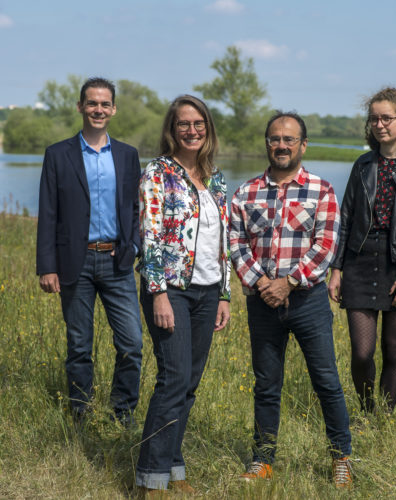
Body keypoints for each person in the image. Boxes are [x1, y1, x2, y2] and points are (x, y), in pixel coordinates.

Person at [230, 112, 353, 488]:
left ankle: (341, 457)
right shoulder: (245, 193)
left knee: (326, 381)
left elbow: (326, 245)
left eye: (289, 139)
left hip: (308, 302)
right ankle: (263, 459)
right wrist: (262, 283)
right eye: (274, 139)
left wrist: (289, 282)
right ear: (266, 143)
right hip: (261, 302)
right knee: (266, 384)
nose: (281, 145)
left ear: (303, 144)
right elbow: (235, 243)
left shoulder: (322, 190)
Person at [136, 95, 231, 495]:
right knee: (173, 379)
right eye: (183, 125)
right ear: (171, 130)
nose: (191, 131)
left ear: (207, 129)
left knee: (190, 383)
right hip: (171, 290)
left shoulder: (217, 179)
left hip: (208, 292)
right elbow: (150, 236)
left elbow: (224, 240)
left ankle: (173, 468)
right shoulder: (157, 173)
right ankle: (150, 479)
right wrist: (157, 293)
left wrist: (225, 293)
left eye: (198, 124)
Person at [36, 77, 143, 425]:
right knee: (79, 346)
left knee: (131, 343)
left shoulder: (128, 155)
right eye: (92, 103)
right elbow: (48, 212)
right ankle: (79, 413)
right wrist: (46, 266)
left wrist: (135, 246)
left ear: (113, 109)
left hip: (117, 261)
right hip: (74, 262)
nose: (99, 109)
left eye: (105, 104)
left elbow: (136, 209)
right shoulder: (58, 154)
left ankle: (122, 414)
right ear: (81, 107)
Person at [328, 87, 396, 413]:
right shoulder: (362, 165)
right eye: (374, 118)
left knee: (394, 350)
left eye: (387, 117)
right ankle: (368, 410)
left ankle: (382, 422)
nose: (379, 124)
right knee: (361, 352)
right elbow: (345, 219)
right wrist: (337, 269)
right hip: (359, 261)